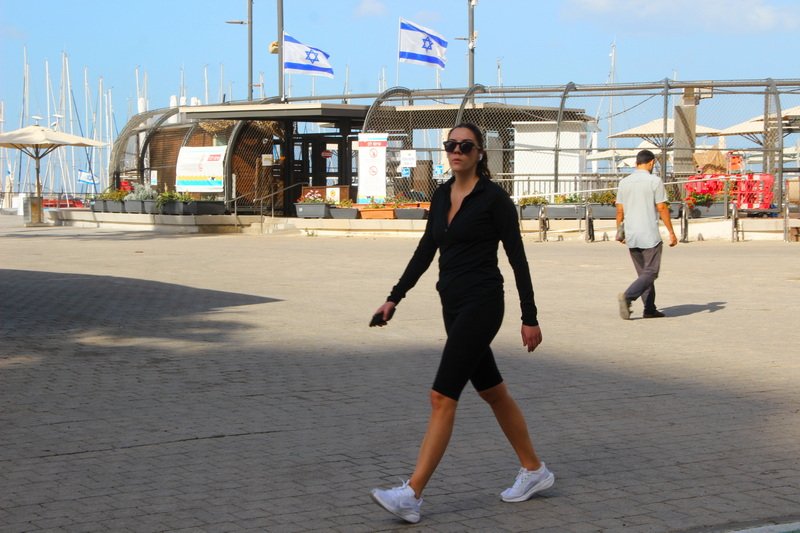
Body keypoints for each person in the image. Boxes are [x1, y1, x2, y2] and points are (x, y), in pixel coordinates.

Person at [369, 123, 554, 524]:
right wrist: (393, 298)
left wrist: (530, 317)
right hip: (451, 306)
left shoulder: (494, 200)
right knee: (493, 393)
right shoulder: (440, 195)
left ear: (479, 154)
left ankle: (412, 494)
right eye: (451, 145)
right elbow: (425, 250)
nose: (456, 151)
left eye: (465, 146)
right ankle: (535, 470)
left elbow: (518, 259)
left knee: (442, 396)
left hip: (483, 304)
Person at [615, 149, 678, 320]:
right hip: (649, 235)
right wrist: (671, 232)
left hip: (631, 235)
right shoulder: (654, 181)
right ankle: (628, 297)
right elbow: (662, 207)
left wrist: (619, 231)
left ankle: (649, 309)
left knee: (643, 273)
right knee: (651, 272)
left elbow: (619, 210)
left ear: (636, 163)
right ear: (651, 163)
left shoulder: (624, 182)